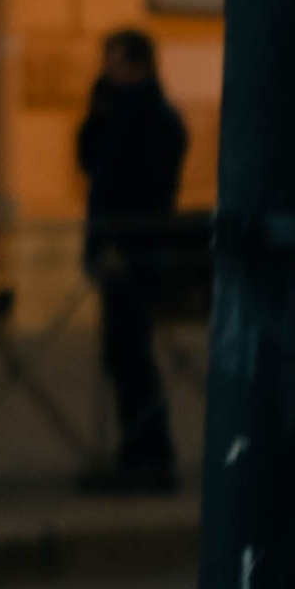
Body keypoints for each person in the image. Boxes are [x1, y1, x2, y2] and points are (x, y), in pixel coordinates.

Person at [76, 27, 189, 493]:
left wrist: (121, 242)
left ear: (138, 65)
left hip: (136, 252)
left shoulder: (155, 117)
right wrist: (96, 112)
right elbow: (88, 164)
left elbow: (143, 184)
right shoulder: (118, 111)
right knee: (120, 354)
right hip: (117, 250)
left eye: (115, 62)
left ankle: (151, 455)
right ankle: (136, 452)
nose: (108, 70)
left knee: (132, 355)